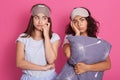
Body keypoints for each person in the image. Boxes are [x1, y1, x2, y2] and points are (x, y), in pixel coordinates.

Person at [55, 7, 111, 80]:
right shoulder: (70, 38)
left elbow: (107, 64)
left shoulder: (97, 41)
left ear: (88, 21)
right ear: (72, 24)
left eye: (82, 20)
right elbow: (69, 55)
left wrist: (87, 68)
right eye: (75, 21)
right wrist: (77, 35)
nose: (79, 24)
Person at [16, 4, 60, 80]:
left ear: (48, 20)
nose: (40, 21)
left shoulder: (54, 37)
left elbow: (51, 60)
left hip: (50, 77)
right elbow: (19, 62)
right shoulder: (23, 38)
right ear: (32, 19)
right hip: (29, 78)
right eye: (37, 17)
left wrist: (46, 35)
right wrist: (43, 68)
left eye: (44, 18)